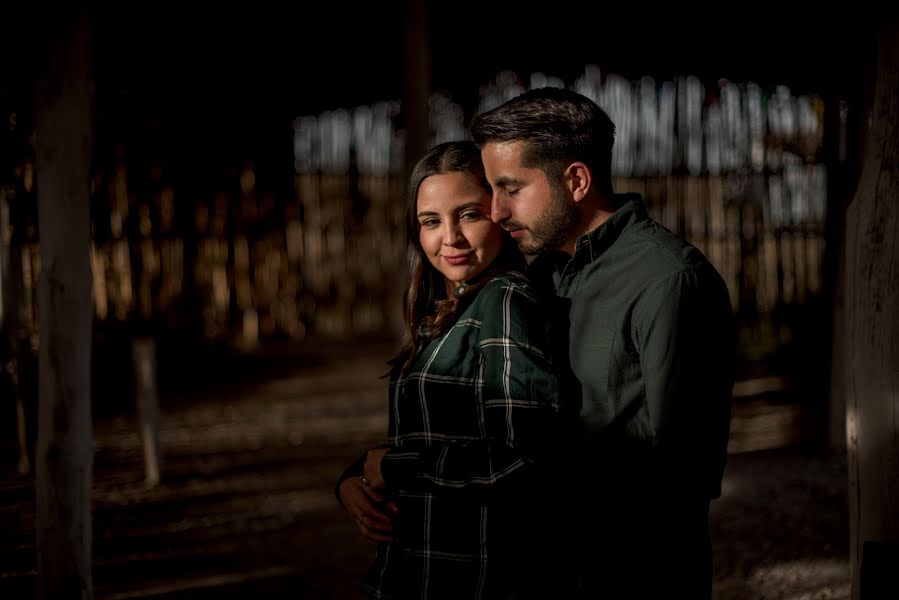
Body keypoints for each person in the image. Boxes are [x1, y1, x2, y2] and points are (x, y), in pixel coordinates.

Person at [471, 87, 735, 599]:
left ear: (575, 180)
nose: (497, 211)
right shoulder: (538, 275)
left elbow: (684, 472)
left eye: (511, 188)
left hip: (636, 572)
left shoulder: (668, 280)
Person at [335, 141, 575, 599]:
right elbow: (436, 433)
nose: (451, 238)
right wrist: (353, 480)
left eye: (468, 215)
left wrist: (399, 468)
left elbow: (528, 459)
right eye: (431, 221)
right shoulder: (445, 311)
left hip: (477, 577)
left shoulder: (505, 302)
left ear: (500, 216)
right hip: (417, 568)